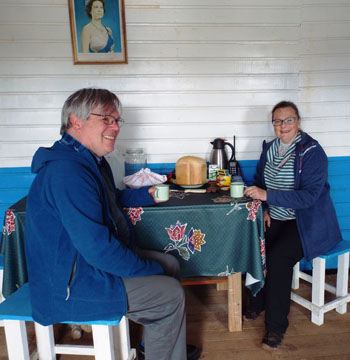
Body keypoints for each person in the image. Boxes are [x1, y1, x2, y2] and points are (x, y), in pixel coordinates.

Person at [24, 88, 200, 360]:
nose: (115, 127)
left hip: (82, 266)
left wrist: (147, 194)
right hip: (69, 286)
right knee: (170, 293)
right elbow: (99, 250)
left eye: (117, 120)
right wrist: (147, 269)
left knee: (171, 265)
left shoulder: (89, 162)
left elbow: (110, 199)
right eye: (106, 118)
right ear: (76, 121)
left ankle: (156, 345)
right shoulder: (68, 172)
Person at [244, 101, 342, 351]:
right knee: (253, 245)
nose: (283, 125)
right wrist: (265, 208)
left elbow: (309, 197)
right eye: (277, 121)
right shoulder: (269, 149)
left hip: (305, 223)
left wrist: (268, 196)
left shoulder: (312, 152)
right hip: (274, 217)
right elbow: (258, 182)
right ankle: (258, 300)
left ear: (298, 121)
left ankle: (276, 327)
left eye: (288, 120)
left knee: (277, 259)